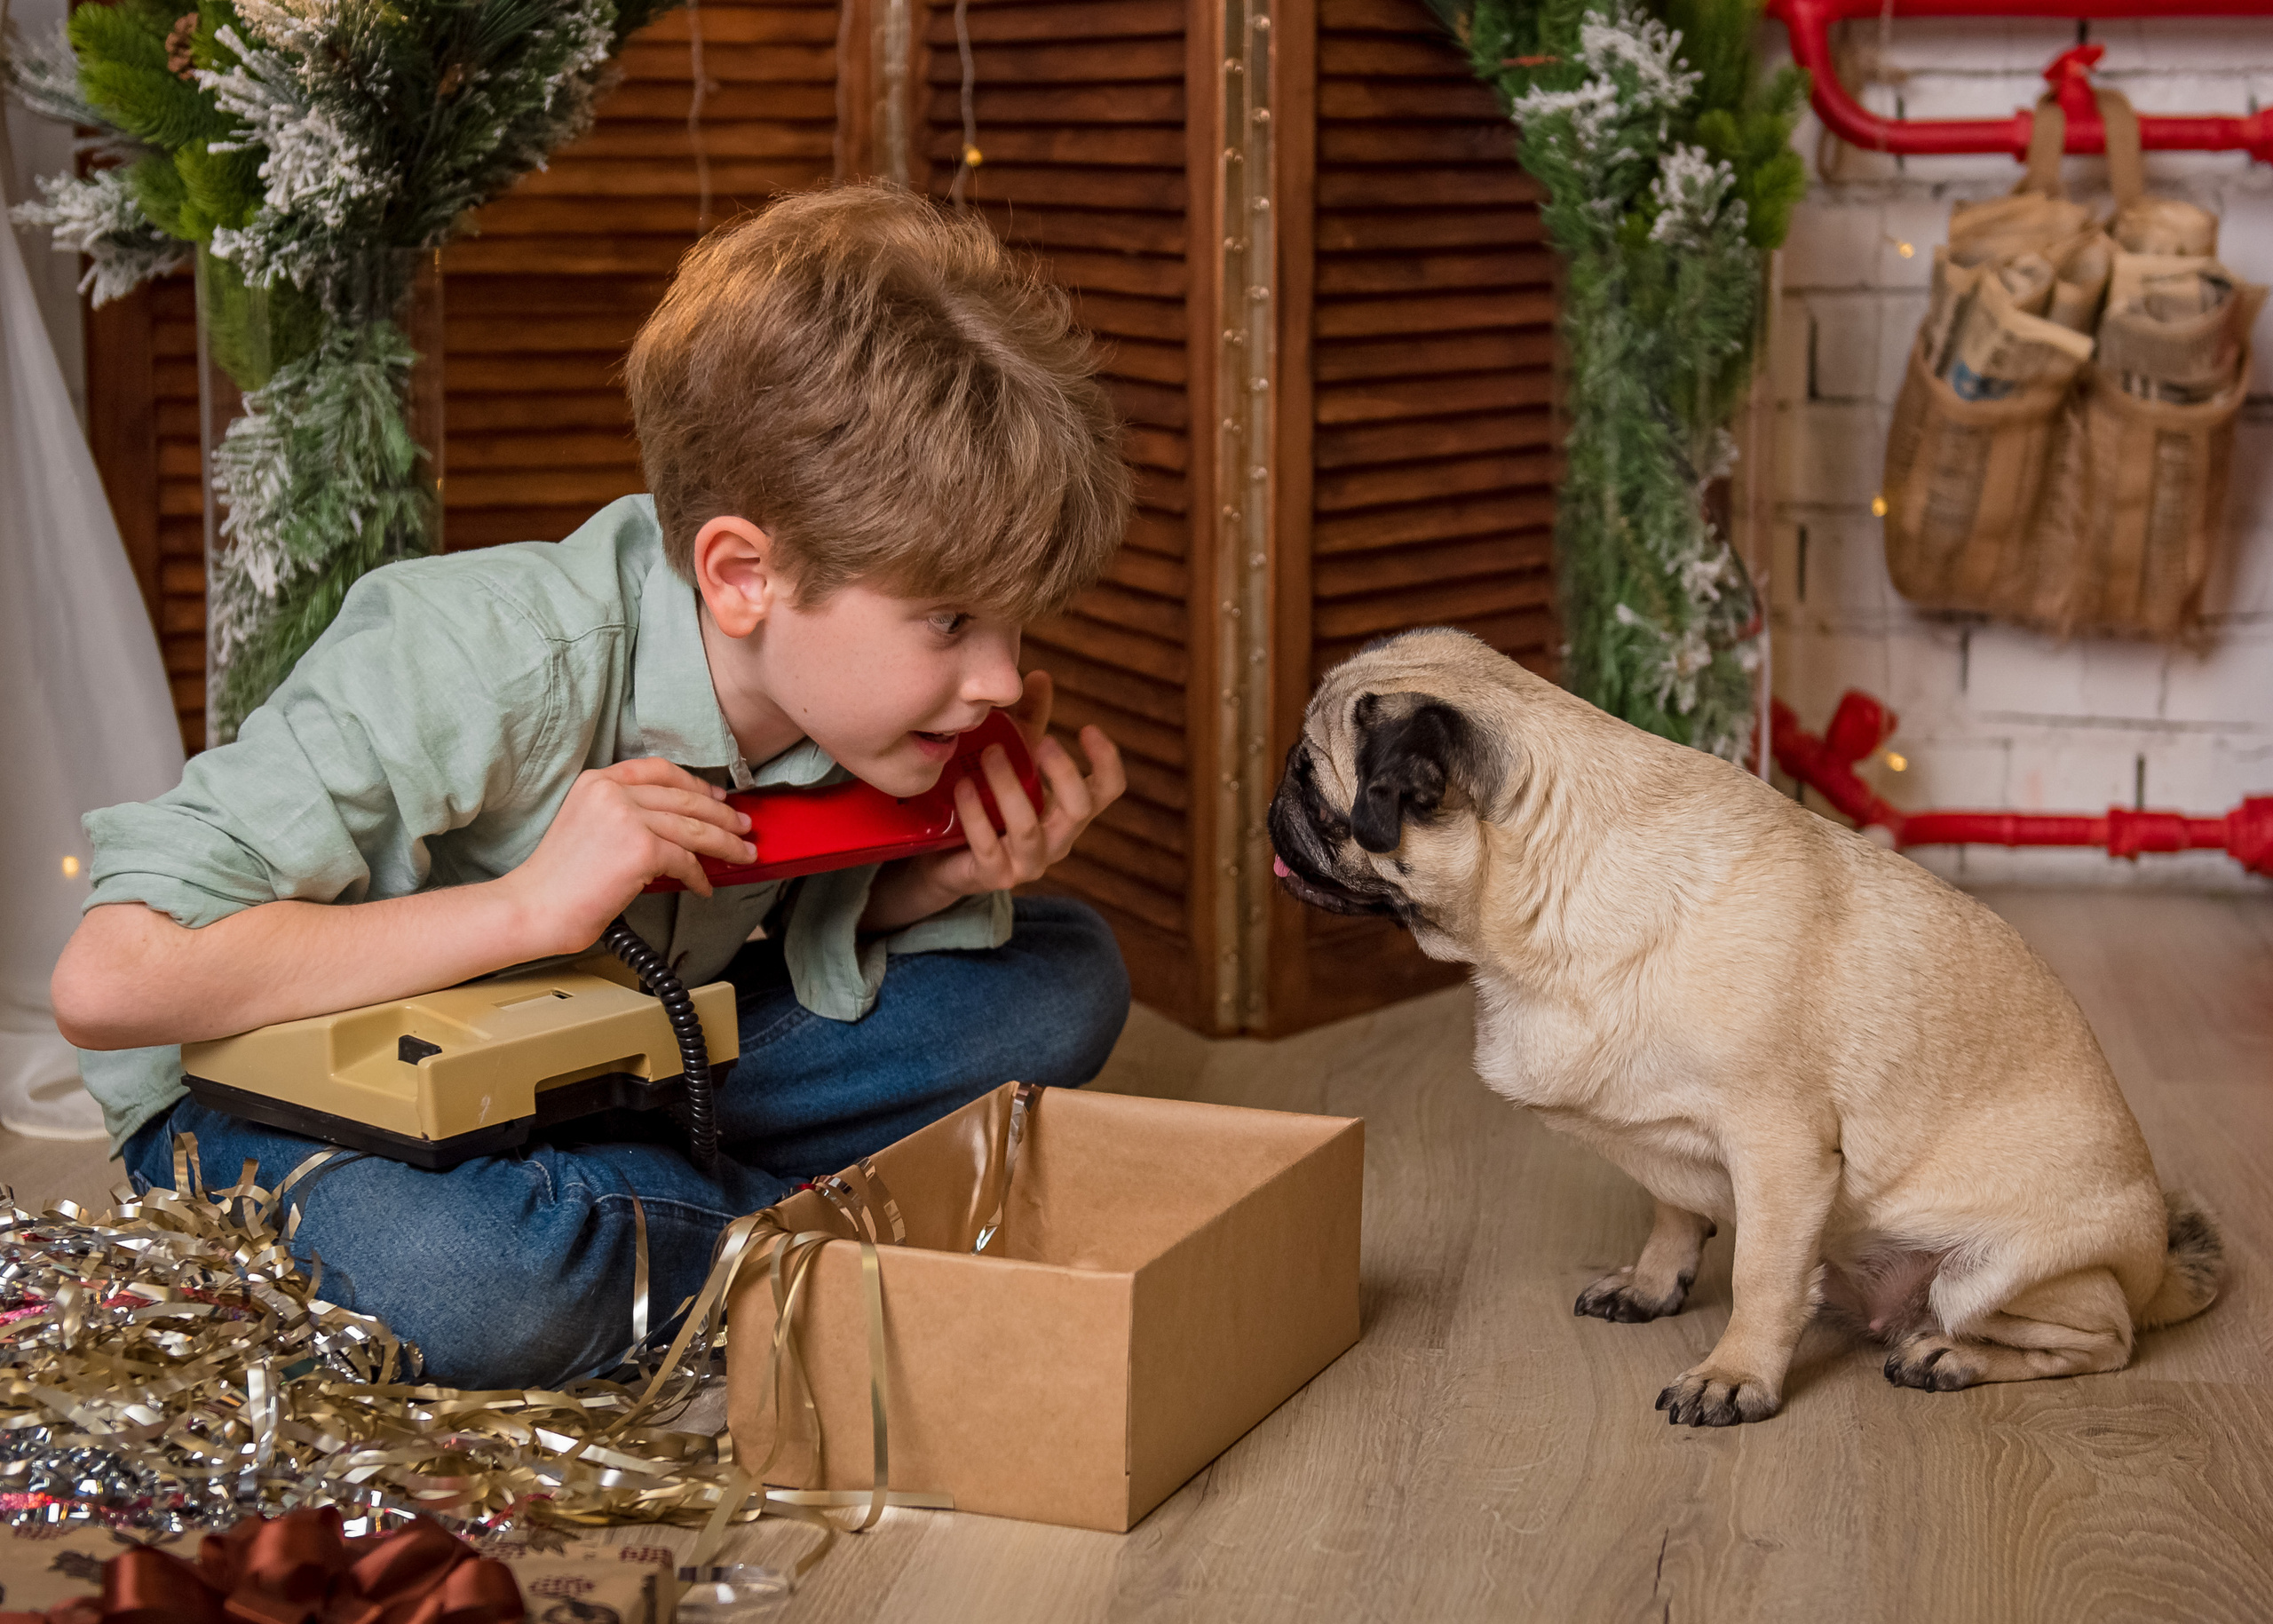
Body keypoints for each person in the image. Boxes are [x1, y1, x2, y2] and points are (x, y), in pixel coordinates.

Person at [49, 185, 1135, 1389]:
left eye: (1014, 623)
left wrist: (925, 885)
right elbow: (109, 979)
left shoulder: (841, 704)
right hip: (268, 1105)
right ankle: (789, 1222)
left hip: (603, 1061)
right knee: (487, 1280)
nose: (1002, 677)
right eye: (951, 620)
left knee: (1063, 978)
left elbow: (755, 941)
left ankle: (662, 1214)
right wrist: (524, 910)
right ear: (742, 575)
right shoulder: (480, 657)